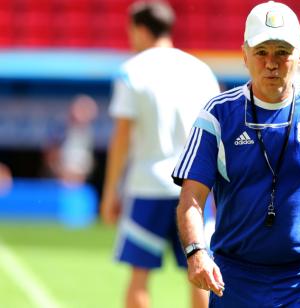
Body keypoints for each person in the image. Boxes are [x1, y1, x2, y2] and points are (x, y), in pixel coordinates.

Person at [172, 1, 300, 307]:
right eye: (261, 52)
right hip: (236, 280)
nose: (271, 63)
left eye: (282, 52)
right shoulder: (217, 115)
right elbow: (192, 198)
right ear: (244, 55)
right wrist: (196, 252)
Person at [99, 2, 220, 308]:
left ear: (140, 29)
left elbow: (123, 136)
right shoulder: (200, 70)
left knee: (139, 276)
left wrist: (110, 190)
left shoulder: (131, 71)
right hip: (194, 187)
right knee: (201, 273)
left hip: (148, 184)